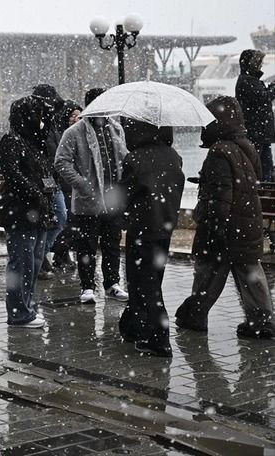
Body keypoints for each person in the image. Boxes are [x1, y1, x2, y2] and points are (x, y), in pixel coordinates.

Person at [175, 97, 275, 339]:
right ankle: (262, 321)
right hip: (247, 220)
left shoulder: (219, 152)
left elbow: (221, 196)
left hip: (227, 225)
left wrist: (214, 225)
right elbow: (245, 182)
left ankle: (196, 316)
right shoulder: (245, 146)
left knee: (208, 273)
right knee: (250, 273)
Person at [55, 88, 129, 305]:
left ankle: (112, 284)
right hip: (88, 201)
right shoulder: (75, 132)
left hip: (113, 199)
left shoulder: (116, 128)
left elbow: (122, 158)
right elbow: (61, 162)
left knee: (112, 244)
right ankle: (87, 287)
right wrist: (83, 185)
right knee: (86, 245)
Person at [117, 118, 185, 357]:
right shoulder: (173, 156)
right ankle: (135, 327)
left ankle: (158, 339)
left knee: (143, 284)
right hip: (164, 227)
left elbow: (124, 195)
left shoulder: (135, 159)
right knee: (152, 279)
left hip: (142, 229)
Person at [0, 96, 57, 328]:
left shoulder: (34, 141)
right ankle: (19, 312)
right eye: (37, 115)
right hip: (21, 212)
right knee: (21, 263)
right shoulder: (11, 141)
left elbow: (49, 140)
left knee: (33, 261)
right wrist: (36, 193)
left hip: (39, 212)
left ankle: (26, 307)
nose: (40, 120)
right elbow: (13, 174)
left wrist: (48, 117)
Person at [31, 84, 67, 281]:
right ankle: (37, 257)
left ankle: (39, 254)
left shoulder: (52, 123)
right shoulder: (34, 125)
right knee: (55, 218)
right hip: (43, 180)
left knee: (60, 218)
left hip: (52, 179)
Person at [50, 100, 82, 269]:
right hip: (66, 184)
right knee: (68, 222)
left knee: (72, 223)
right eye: (72, 115)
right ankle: (60, 252)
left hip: (73, 184)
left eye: (78, 115)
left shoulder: (78, 134)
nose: (76, 119)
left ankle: (62, 252)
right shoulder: (62, 134)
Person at [235, 48, 275, 182]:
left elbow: (262, 98)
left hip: (260, 133)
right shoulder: (248, 81)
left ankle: (262, 192)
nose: (261, 65)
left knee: (264, 167)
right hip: (257, 133)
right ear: (251, 64)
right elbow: (263, 98)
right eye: (259, 62)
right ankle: (261, 194)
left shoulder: (251, 81)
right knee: (260, 168)